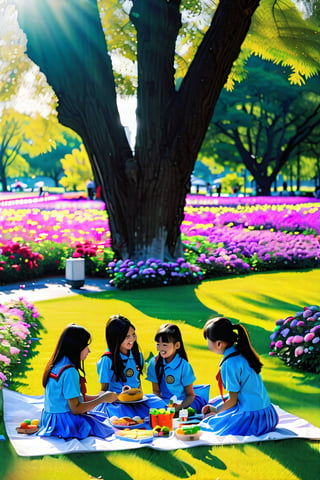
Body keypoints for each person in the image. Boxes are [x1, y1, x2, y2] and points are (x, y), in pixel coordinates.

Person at [200, 317, 278, 436]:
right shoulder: (243, 352)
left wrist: (217, 413)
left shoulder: (229, 364)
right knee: (217, 401)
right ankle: (216, 409)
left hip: (253, 420)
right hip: (268, 415)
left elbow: (233, 400)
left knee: (209, 423)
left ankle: (215, 413)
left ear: (219, 343)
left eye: (208, 341)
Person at [37, 324, 118, 439]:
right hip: (65, 422)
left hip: (50, 420)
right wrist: (102, 399)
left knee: (100, 418)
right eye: (86, 346)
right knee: (106, 426)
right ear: (76, 347)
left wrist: (100, 396)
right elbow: (76, 409)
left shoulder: (56, 365)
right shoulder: (70, 372)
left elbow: (73, 398)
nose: (89, 351)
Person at [95, 314, 166, 418]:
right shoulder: (107, 360)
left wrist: (139, 396)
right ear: (116, 338)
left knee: (159, 404)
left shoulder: (138, 355)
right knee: (124, 414)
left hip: (136, 400)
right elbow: (103, 390)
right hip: (118, 403)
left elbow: (138, 382)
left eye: (133, 334)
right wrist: (115, 397)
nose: (132, 339)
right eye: (127, 337)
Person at [146, 323, 209, 415]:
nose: (160, 348)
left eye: (165, 345)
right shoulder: (154, 363)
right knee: (145, 403)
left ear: (177, 345)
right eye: (158, 344)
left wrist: (178, 409)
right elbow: (156, 392)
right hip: (164, 403)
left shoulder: (184, 366)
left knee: (189, 411)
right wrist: (161, 407)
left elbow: (190, 395)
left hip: (183, 402)